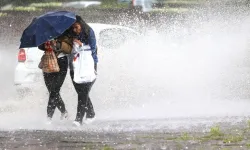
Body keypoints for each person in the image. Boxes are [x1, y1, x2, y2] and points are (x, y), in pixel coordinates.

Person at [68, 15, 98, 126]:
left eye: (76, 27)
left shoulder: (89, 32)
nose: (75, 30)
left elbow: (93, 49)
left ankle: (78, 119)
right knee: (81, 92)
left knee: (83, 92)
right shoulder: (70, 35)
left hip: (88, 65)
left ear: (81, 24)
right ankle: (91, 113)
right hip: (74, 66)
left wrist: (82, 45)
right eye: (73, 28)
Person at [38, 30, 73, 124]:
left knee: (54, 90)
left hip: (62, 63)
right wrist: (45, 43)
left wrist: (57, 44)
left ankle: (49, 117)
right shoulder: (46, 33)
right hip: (48, 61)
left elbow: (69, 49)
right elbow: (39, 46)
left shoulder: (66, 33)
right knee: (51, 90)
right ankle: (64, 112)